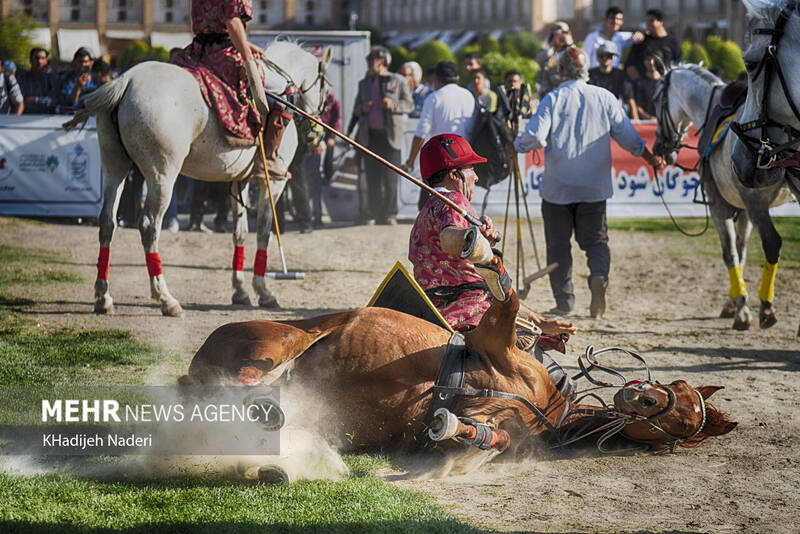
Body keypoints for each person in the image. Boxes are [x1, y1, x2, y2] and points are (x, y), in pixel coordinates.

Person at [408, 133, 578, 399]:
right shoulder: (455, 201)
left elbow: (480, 283)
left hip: (437, 313)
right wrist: (471, 239)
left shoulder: (425, 212)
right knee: (560, 388)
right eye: (471, 169)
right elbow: (449, 237)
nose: (475, 176)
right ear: (455, 175)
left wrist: (539, 320)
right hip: (469, 318)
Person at [512, 48, 665, 318]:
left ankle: (565, 302)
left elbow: (535, 137)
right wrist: (651, 158)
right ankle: (598, 276)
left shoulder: (553, 98)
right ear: (586, 71)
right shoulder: (605, 98)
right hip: (594, 187)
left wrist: (516, 145)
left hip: (558, 188)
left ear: (561, 71)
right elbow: (629, 139)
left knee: (558, 247)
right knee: (596, 242)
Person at [171, 0, 290, 179]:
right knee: (284, 93)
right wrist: (247, 58)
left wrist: (247, 45)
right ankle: (268, 158)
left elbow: (214, 29)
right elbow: (232, 22)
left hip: (197, 52)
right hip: (222, 56)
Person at [352, 45, 413, 225]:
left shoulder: (398, 80)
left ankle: (390, 214)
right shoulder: (364, 83)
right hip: (370, 136)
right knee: (372, 178)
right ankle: (375, 214)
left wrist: (392, 106)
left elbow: (408, 105)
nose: (371, 64)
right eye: (369, 60)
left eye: (375, 60)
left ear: (384, 61)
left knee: (390, 178)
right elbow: (356, 108)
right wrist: (362, 109)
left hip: (391, 137)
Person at [404, 61, 476, 171]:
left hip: (442, 158)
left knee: (433, 188)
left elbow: (421, 132)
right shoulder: (469, 95)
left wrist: (410, 161)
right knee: (463, 187)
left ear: (437, 78)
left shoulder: (434, 98)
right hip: (466, 157)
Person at [625, 8, 681, 81]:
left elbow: (678, 64)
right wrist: (638, 82)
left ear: (662, 23)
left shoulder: (672, 42)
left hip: (666, 85)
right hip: (643, 86)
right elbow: (630, 64)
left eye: (652, 21)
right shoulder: (642, 40)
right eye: (647, 21)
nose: (648, 24)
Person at [588, 41, 639, 120]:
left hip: (615, 115)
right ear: (597, 57)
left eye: (608, 56)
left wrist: (636, 121)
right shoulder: (589, 75)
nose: (605, 58)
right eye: (601, 56)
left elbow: (630, 99)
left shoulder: (621, 75)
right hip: (594, 115)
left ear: (613, 57)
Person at [535, 21, 574, 98]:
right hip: (549, 95)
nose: (560, 36)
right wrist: (550, 45)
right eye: (555, 34)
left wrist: (570, 44)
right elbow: (536, 63)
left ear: (569, 33)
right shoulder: (548, 53)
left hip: (568, 94)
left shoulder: (573, 53)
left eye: (564, 33)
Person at [17, 48, 59, 114]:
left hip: (48, 117)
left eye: (42, 58)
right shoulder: (22, 78)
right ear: (30, 60)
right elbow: (22, 101)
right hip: (26, 117)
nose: (39, 61)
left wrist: (35, 99)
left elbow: (55, 101)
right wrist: (45, 100)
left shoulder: (52, 78)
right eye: (36, 58)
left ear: (46, 61)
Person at [633, 49, 663, 120]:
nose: (652, 62)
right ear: (644, 62)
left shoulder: (666, 82)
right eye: (648, 59)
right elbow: (637, 106)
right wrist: (650, 118)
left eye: (655, 60)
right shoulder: (639, 82)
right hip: (646, 124)